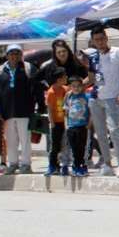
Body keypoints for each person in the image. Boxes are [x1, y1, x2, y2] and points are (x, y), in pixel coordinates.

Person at [85, 27, 119, 176]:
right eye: (96, 40)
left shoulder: (118, 52)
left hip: (113, 97)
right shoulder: (93, 57)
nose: (100, 42)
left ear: (106, 38)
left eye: (102, 38)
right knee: (101, 133)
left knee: (114, 131)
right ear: (93, 41)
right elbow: (92, 79)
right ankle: (107, 163)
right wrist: (74, 86)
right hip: (96, 98)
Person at [36, 40, 87, 171]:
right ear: (55, 53)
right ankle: (54, 164)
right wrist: (47, 88)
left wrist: (77, 88)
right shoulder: (49, 66)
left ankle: (72, 163)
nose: (62, 54)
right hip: (56, 114)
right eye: (59, 52)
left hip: (75, 111)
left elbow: (88, 77)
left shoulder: (76, 64)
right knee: (55, 141)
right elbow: (35, 79)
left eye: (64, 51)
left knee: (73, 140)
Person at [0, 44, 35, 174]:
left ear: (21, 55)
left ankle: (26, 164)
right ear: (7, 55)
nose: (14, 56)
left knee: (25, 139)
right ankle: (12, 163)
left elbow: (36, 88)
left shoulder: (28, 67)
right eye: (11, 53)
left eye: (17, 53)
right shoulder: (1, 70)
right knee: (11, 140)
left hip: (24, 110)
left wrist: (37, 105)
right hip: (7, 111)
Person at [43, 67, 69, 177]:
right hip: (56, 122)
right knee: (54, 146)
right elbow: (49, 108)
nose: (66, 78)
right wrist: (52, 122)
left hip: (66, 122)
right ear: (59, 79)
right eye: (64, 77)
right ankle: (52, 165)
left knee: (65, 145)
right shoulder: (51, 92)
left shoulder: (66, 89)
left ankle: (64, 166)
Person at [64, 75, 91, 176]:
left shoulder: (86, 96)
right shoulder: (68, 96)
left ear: (82, 86)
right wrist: (66, 124)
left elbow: (91, 111)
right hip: (71, 126)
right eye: (73, 86)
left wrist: (89, 124)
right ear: (70, 86)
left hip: (83, 126)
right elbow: (66, 111)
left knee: (82, 147)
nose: (76, 88)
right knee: (73, 147)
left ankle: (83, 166)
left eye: (78, 86)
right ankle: (75, 166)